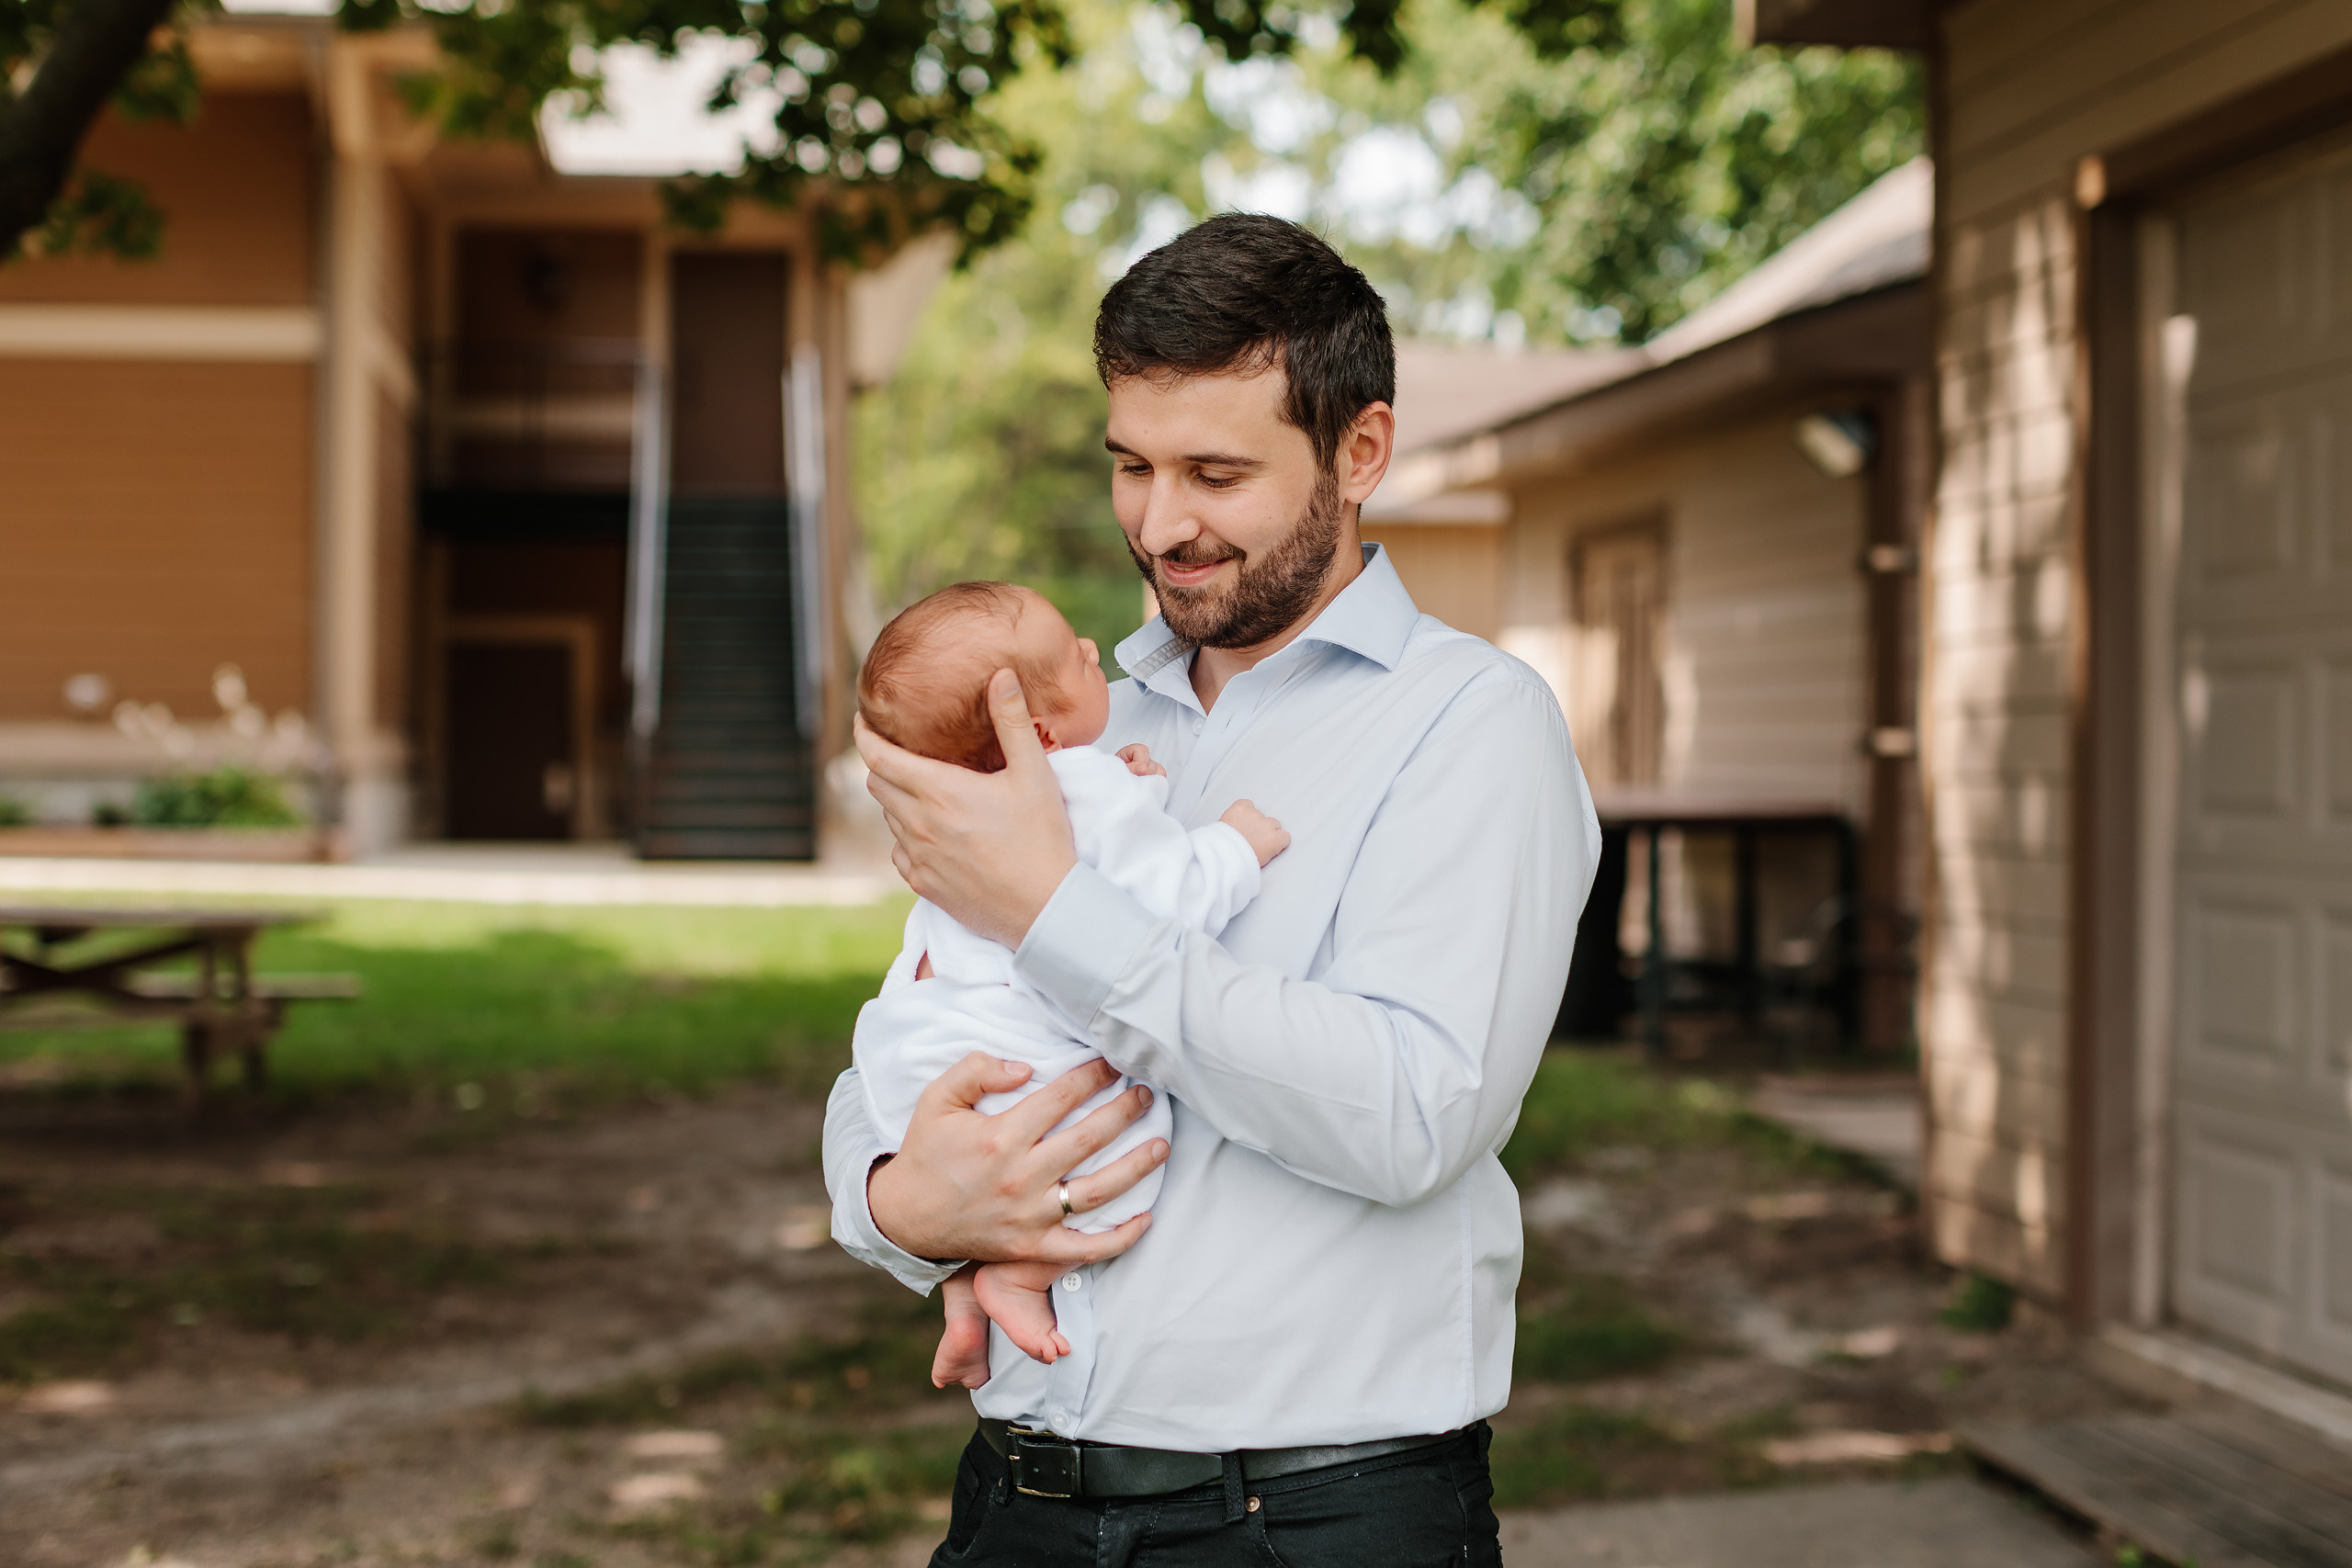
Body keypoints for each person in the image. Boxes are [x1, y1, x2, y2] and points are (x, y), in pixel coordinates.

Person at [825, 212, 1600, 1566]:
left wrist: (1060, 916)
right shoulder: (1068, 724)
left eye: (1215, 472)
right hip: (1020, 1505)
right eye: (1132, 464)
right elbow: (919, 1016)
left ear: (1361, 451)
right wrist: (898, 1200)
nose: (1161, 523)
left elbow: (1417, 1111)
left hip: (1310, 1519)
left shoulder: (1471, 723)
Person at [851, 580, 1288, 1390]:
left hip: (916, 1056)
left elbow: (1087, 845)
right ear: (1040, 732)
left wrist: (1132, 786)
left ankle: (962, 1290)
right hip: (1023, 1056)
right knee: (1114, 1131)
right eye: (1073, 657)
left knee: (976, 1181)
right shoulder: (1084, 786)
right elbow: (1166, 896)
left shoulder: (966, 805)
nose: (1095, 652)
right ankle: (1017, 1277)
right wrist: (1233, 844)